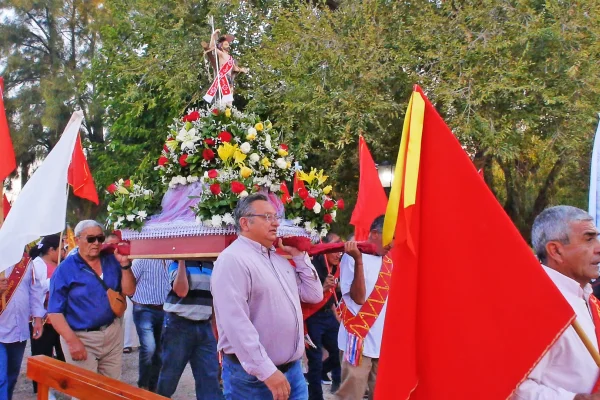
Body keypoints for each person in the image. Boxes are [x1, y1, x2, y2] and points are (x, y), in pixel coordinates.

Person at [212, 193, 324, 400]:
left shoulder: (279, 260)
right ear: (245, 223)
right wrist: (268, 372)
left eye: (276, 217)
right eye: (267, 217)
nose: (275, 224)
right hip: (254, 379)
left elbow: (314, 295)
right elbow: (236, 325)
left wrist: (300, 257)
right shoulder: (232, 260)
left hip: (293, 372)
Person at [512, 205, 600, 399]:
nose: (599, 248)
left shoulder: (587, 298)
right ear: (556, 251)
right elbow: (513, 388)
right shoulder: (535, 303)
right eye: (589, 238)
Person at [48, 220, 136, 379]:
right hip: (82, 337)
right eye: (90, 239)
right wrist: (72, 341)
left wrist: (125, 266)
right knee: (86, 392)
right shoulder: (65, 270)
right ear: (77, 239)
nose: (96, 243)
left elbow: (129, 291)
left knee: (111, 389)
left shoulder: (111, 260)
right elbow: (54, 312)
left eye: (100, 238)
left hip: (112, 333)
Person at [335, 216, 392, 400]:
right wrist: (359, 260)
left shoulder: (389, 263)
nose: (392, 244)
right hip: (356, 341)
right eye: (390, 237)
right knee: (350, 396)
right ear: (375, 234)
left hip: (382, 344)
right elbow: (358, 298)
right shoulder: (352, 256)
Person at [156, 259, 223, 400]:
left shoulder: (210, 265)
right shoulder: (174, 264)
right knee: (170, 374)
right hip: (178, 325)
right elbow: (181, 291)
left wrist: (215, 328)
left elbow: (214, 298)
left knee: (209, 376)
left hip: (204, 326)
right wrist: (181, 259)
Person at [0, 252, 45, 400]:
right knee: (1, 379)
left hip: (19, 329)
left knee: (12, 375)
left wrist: (38, 318)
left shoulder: (25, 262)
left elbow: (35, 291)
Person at [304, 233, 343, 399]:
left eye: (340, 250)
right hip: (313, 317)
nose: (338, 254)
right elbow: (306, 296)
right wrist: (323, 287)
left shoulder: (337, 265)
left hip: (329, 316)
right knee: (314, 360)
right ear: (324, 247)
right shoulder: (312, 264)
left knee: (339, 352)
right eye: (334, 249)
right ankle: (316, 396)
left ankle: (323, 374)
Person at [29, 234, 65, 396]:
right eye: (61, 248)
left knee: (64, 355)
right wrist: (54, 281)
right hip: (43, 319)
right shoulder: (37, 265)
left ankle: (65, 386)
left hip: (61, 318)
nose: (64, 252)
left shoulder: (62, 264)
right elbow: (34, 290)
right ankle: (42, 392)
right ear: (51, 250)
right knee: (42, 354)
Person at [131, 258, 170, 392]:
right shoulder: (141, 260)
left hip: (164, 310)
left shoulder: (171, 260)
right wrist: (136, 301)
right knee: (149, 347)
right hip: (144, 309)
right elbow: (129, 283)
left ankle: (152, 387)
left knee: (159, 350)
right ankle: (143, 385)